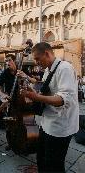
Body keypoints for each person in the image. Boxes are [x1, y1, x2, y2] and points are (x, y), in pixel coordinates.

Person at [22, 42, 79, 173]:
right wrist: (34, 91)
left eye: (37, 58)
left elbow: (63, 100)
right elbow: (48, 91)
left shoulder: (65, 68)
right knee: (41, 158)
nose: (36, 62)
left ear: (47, 53)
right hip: (47, 123)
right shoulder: (48, 70)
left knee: (54, 165)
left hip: (60, 126)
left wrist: (35, 97)